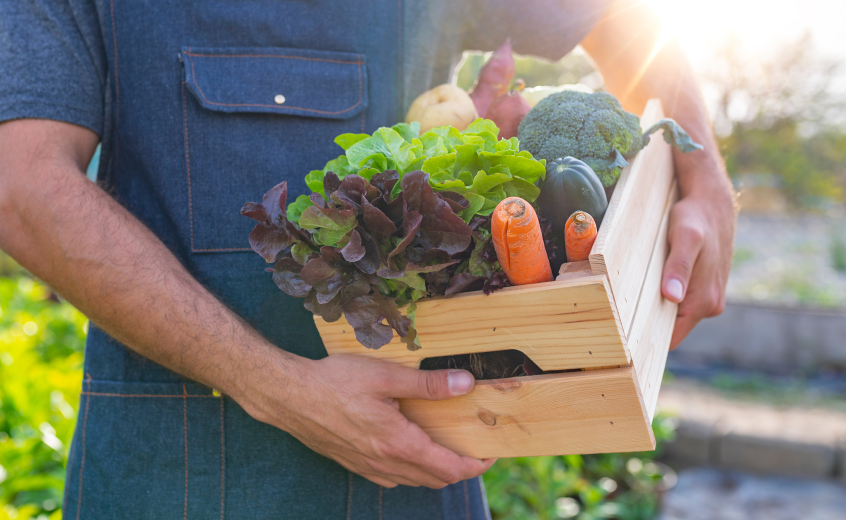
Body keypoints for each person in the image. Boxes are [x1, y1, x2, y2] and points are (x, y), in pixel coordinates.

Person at [0, 0, 734, 518]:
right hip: (171, 473)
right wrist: (277, 387)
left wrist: (705, 175)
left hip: (421, 465)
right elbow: (22, 183)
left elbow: (623, 19)